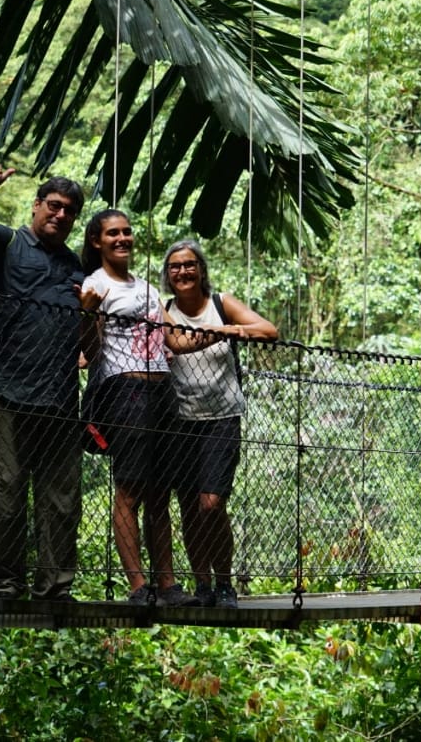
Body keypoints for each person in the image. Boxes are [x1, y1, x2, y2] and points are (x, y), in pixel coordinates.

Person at [78, 211, 224, 606]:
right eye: (113, 233)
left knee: (160, 492)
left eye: (126, 232)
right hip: (124, 388)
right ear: (97, 242)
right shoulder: (94, 285)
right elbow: (91, 353)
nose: (122, 238)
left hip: (163, 391)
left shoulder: (144, 289)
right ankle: (138, 585)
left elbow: (173, 342)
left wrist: (225, 332)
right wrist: (87, 314)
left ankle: (167, 585)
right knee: (130, 489)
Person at [0, 160, 87, 602]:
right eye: (53, 205)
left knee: (62, 501)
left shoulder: (77, 269)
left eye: (70, 210)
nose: (60, 215)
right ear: (36, 206)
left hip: (58, 399)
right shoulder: (5, 243)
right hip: (4, 390)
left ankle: (55, 589)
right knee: (4, 492)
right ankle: (3, 585)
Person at [162, 240, 278, 609]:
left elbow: (268, 330)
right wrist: (219, 335)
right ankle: (203, 585)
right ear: (168, 275)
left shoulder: (220, 304)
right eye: (175, 266)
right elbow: (175, 343)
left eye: (189, 264)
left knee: (211, 504)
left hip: (222, 418)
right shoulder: (164, 309)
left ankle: (225, 582)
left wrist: (233, 329)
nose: (182, 271)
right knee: (188, 507)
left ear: (201, 270)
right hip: (178, 420)